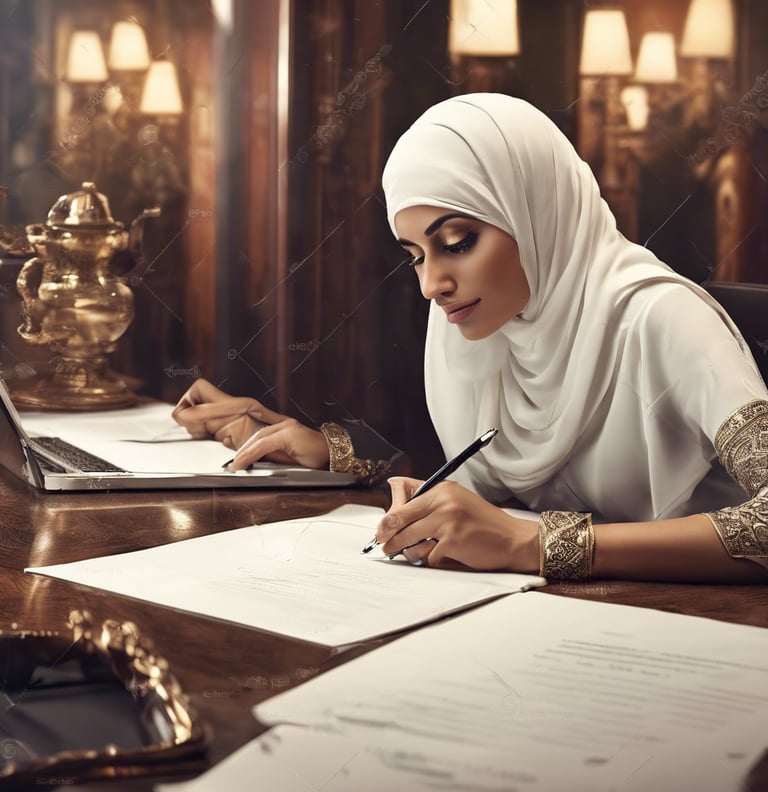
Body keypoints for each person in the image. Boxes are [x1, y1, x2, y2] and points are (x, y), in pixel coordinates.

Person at [173, 93, 768, 584]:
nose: (433, 283)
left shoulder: (660, 317)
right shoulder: (478, 327)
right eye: (415, 257)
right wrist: (342, 459)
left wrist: (535, 544)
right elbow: (480, 492)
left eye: (456, 241)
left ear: (534, 211)